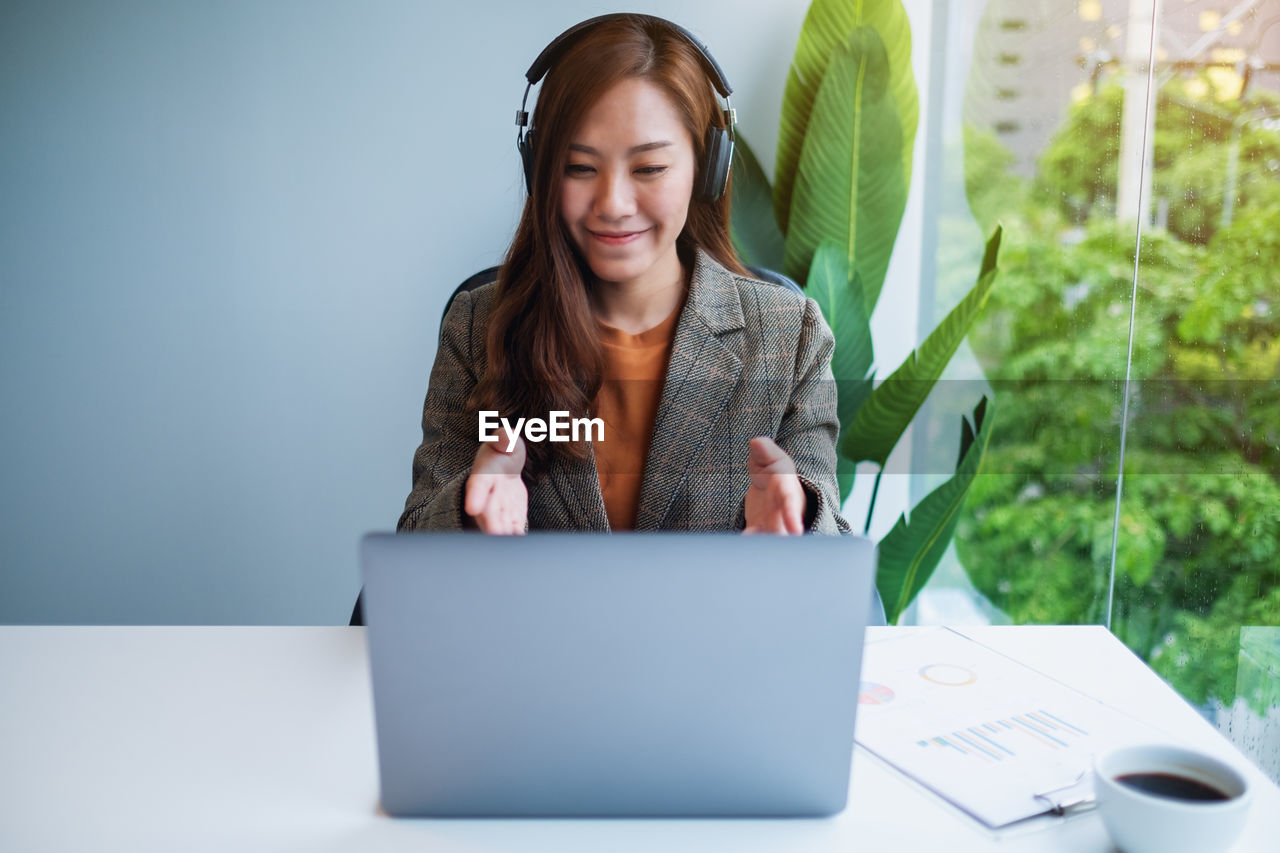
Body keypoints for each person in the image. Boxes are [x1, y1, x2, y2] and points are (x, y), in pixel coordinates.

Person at [398, 13, 851, 539]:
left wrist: (798, 531)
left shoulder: (789, 335)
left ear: (707, 169)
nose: (612, 204)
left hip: (710, 624)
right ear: (540, 169)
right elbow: (414, 542)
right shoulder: (478, 326)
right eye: (580, 168)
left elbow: (830, 548)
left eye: (649, 169)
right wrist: (466, 517)